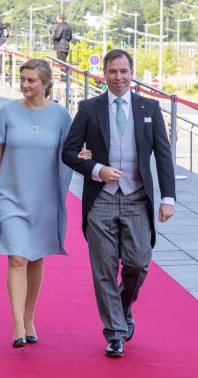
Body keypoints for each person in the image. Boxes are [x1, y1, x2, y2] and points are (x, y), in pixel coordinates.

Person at [61, 49, 176, 358]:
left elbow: (163, 154)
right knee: (104, 269)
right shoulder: (88, 109)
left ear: (132, 72)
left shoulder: (149, 107)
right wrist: (97, 170)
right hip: (101, 200)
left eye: (124, 71)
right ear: (105, 74)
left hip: (138, 198)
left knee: (139, 263)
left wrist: (168, 198)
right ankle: (114, 333)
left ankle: (122, 308)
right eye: (112, 72)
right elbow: (69, 152)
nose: (118, 77)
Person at [0, 59, 72, 348]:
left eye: (31, 80)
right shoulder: (8, 112)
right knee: (17, 258)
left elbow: (72, 152)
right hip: (11, 197)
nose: (25, 84)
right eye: (23, 79)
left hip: (45, 199)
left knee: (35, 257)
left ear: (46, 84)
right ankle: (18, 323)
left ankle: (29, 317)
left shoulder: (61, 116)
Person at [51, 14, 72, 80]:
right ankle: (64, 76)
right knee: (63, 62)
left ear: (60, 19)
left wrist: (52, 36)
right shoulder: (68, 26)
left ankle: (63, 77)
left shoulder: (61, 26)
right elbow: (70, 37)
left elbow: (57, 36)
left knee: (61, 63)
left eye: (57, 18)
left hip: (60, 46)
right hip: (66, 45)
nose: (56, 19)